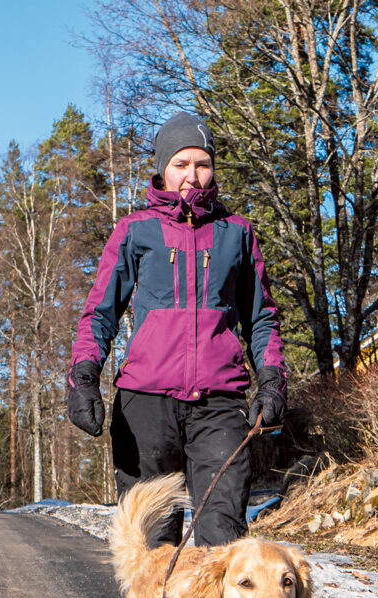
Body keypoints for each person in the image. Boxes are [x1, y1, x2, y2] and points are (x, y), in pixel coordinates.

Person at [67, 112, 287, 548]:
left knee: (222, 539)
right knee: (152, 545)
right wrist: (84, 377)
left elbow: (261, 317)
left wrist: (273, 380)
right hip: (145, 405)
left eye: (201, 164)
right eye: (181, 164)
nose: (192, 175)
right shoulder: (135, 231)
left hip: (220, 403)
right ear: (163, 170)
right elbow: (100, 313)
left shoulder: (236, 234)